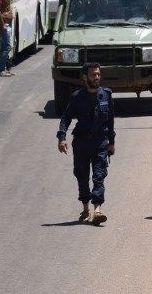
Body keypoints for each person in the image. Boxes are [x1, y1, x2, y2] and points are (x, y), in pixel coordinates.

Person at [57, 63, 116, 225]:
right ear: (85, 77)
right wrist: (62, 137)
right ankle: (85, 207)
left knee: (99, 176)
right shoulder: (77, 97)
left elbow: (110, 121)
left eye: (98, 74)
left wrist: (112, 142)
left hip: (100, 142)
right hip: (81, 143)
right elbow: (66, 118)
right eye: (93, 75)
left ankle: (97, 210)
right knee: (82, 176)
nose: (96, 77)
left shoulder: (106, 95)